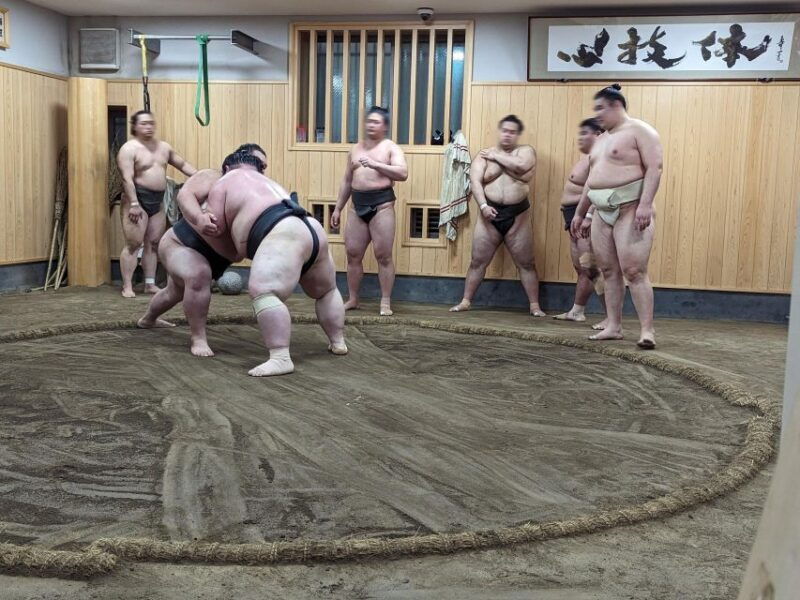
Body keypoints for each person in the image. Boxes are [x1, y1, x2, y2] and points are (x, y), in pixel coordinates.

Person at [205, 152, 347, 376]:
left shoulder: (224, 182)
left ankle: (280, 357)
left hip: (281, 231)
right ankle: (338, 341)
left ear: (226, 167)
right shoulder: (268, 181)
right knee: (326, 290)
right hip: (310, 226)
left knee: (264, 292)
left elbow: (214, 227)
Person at [137, 145, 267, 357]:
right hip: (180, 244)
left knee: (173, 293)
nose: (258, 170)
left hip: (217, 260)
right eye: (254, 163)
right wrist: (199, 218)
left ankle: (148, 319)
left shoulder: (259, 192)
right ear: (231, 165)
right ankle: (198, 338)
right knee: (198, 273)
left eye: (262, 167)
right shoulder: (212, 177)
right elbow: (185, 195)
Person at [570, 84, 663, 349]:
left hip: (630, 208)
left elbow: (655, 168)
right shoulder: (601, 140)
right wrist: (580, 212)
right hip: (601, 210)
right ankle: (613, 326)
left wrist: (646, 204)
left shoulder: (640, 131)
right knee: (608, 270)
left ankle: (647, 331)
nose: (597, 114)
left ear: (616, 105)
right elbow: (591, 179)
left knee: (634, 271)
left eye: (600, 108)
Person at [450, 115, 545, 316]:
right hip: (488, 215)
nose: (508, 135)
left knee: (527, 263)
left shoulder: (526, 151)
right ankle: (465, 301)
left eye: (512, 132)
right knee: (477, 261)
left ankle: (535, 306)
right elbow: (475, 181)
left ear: (517, 134)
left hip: (517, 215)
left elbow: (522, 166)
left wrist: (497, 159)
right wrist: (483, 206)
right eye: (505, 131)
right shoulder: (484, 154)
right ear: (499, 131)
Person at [331, 106, 408, 316]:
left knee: (383, 255)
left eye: (376, 122)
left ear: (384, 126)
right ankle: (354, 298)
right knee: (353, 254)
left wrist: (376, 165)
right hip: (357, 207)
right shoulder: (355, 149)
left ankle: (385, 301)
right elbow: (347, 180)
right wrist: (338, 207)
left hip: (382, 206)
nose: (371, 125)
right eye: (369, 121)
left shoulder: (391, 147)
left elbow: (402, 173)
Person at [117, 110, 197, 298]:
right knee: (134, 244)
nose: (148, 127)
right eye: (144, 123)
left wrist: (201, 177)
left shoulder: (164, 148)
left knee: (153, 243)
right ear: (135, 126)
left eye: (151, 123)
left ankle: (149, 284)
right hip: (136, 200)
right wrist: (135, 203)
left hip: (158, 200)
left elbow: (183, 164)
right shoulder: (129, 149)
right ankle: (127, 286)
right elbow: (127, 179)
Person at [553, 118, 607, 326]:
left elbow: (600, 188)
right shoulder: (590, 157)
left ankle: (611, 318)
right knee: (581, 267)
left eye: (586, 133)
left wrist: (589, 215)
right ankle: (577, 311)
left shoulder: (600, 157)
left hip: (585, 217)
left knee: (592, 268)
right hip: (573, 215)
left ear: (599, 134)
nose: (581, 137)